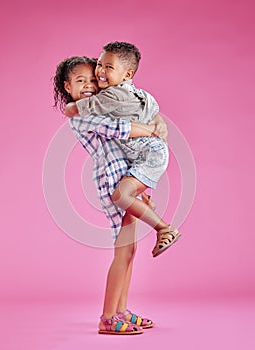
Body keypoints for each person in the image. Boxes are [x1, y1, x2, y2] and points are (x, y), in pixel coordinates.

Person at [53, 56, 167, 335]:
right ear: (68, 86)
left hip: (124, 176)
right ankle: (107, 318)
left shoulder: (103, 106)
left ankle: (121, 310)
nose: (90, 85)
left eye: (93, 79)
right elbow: (123, 130)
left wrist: (156, 120)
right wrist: (153, 129)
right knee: (122, 250)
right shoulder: (82, 116)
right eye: (81, 81)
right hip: (111, 181)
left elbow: (133, 116)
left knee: (130, 250)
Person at [65, 42, 181, 259]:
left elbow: (84, 108)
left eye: (108, 67)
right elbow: (152, 110)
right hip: (148, 153)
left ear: (127, 74)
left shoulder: (112, 96)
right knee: (125, 197)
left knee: (121, 195)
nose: (100, 71)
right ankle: (144, 205)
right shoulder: (138, 93)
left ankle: (164, 228)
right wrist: (158, 123)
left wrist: (69, 107)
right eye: (99, 64)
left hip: (148, 154)